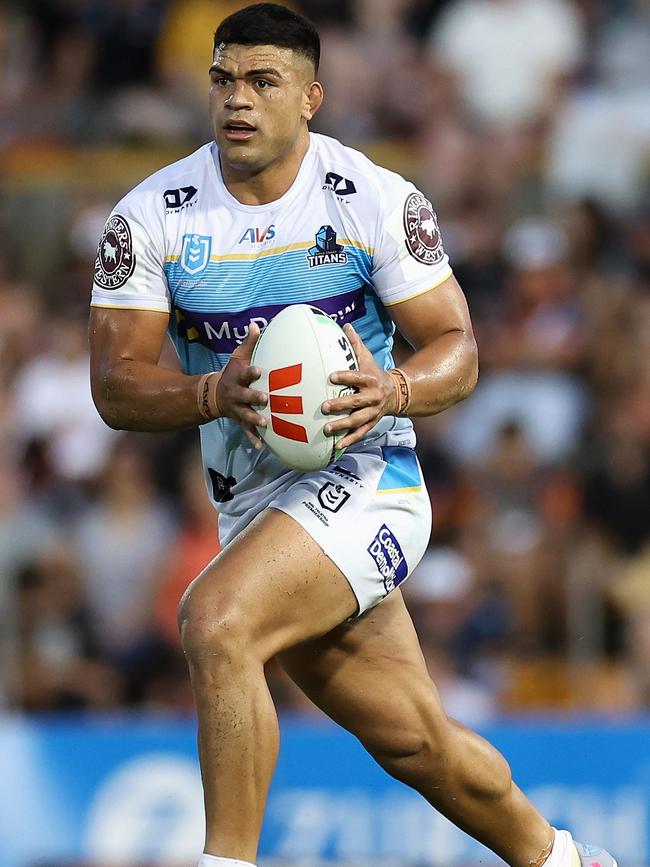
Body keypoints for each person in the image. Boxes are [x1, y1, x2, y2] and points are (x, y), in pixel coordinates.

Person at [88, 5, 618, 867]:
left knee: (216, 619)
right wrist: (212, 391)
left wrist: (396, 387)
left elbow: (460, 348)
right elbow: (115, 384)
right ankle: (565, 860)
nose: (237, 100)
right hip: (257, 508)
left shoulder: (371, 197)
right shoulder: (153, 216)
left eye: (263, 82)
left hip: (372, 475)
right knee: (416, 744)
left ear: (311, 99)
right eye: (224, 79)